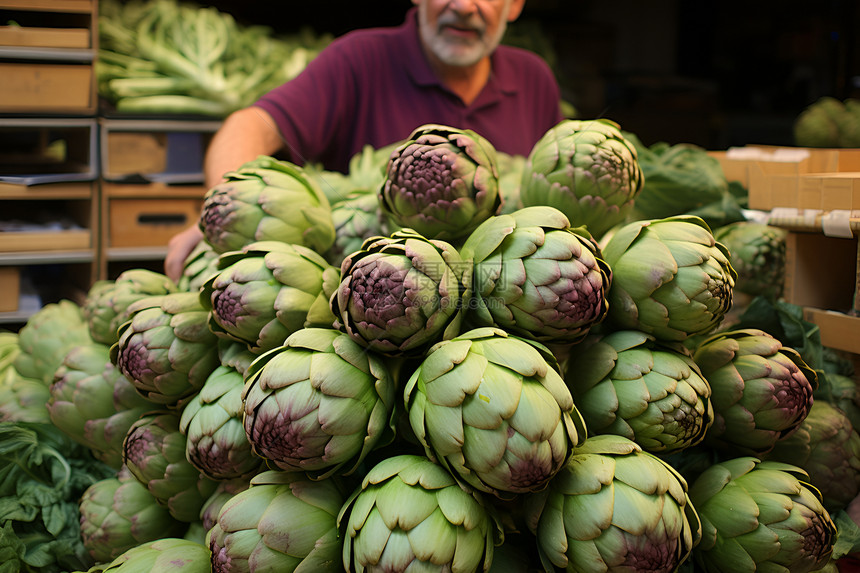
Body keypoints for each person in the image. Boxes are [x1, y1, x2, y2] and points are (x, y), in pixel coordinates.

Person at [164, 0, 564, 281]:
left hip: (494, 299)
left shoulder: (535, 79)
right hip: (375, 292)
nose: (463, 5)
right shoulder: (358, 59)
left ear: (514, 6)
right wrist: (230, 210)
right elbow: (250, 125)